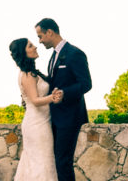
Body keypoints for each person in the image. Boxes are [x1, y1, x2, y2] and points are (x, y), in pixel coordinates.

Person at [36, 18, 92, 181]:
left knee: (63, 162)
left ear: (50, 32)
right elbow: (54, 82)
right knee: (58, 162)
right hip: (54, 117)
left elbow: (86, 84)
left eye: (40, 36)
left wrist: (64, 93)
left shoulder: (75, 54)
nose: (39, 41)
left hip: (69, 117)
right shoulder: (54, 56)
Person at [9, 38, 63, 181]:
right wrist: (52, 97)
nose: (35, 47)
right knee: (42, 163)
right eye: (31, 46)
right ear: (24, 52)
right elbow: (34, 100)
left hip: (42, 121)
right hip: (37, 125)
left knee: (41, 162)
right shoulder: (27, 75)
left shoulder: (32, 73)